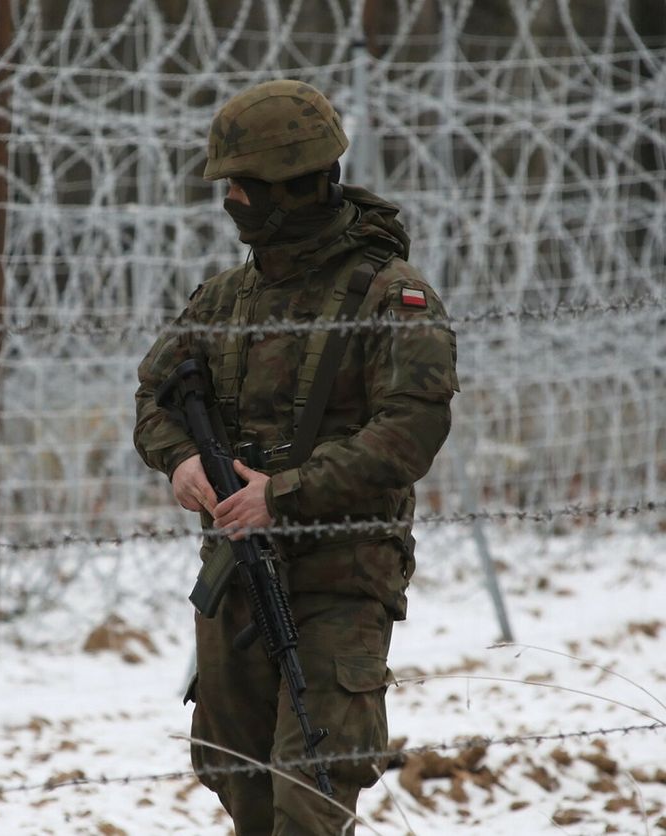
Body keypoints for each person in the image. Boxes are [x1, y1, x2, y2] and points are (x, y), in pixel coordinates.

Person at [133, 79, 458, 834]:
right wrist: (181, 462)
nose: (233, 200)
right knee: (240, 784)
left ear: (294, 187)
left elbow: (408, 433)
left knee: (310, 795)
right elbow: (154, 398)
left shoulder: (389, 297)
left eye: (244, 186)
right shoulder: (221, 301)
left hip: (341, 576)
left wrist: (281, 493)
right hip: (236, 575)